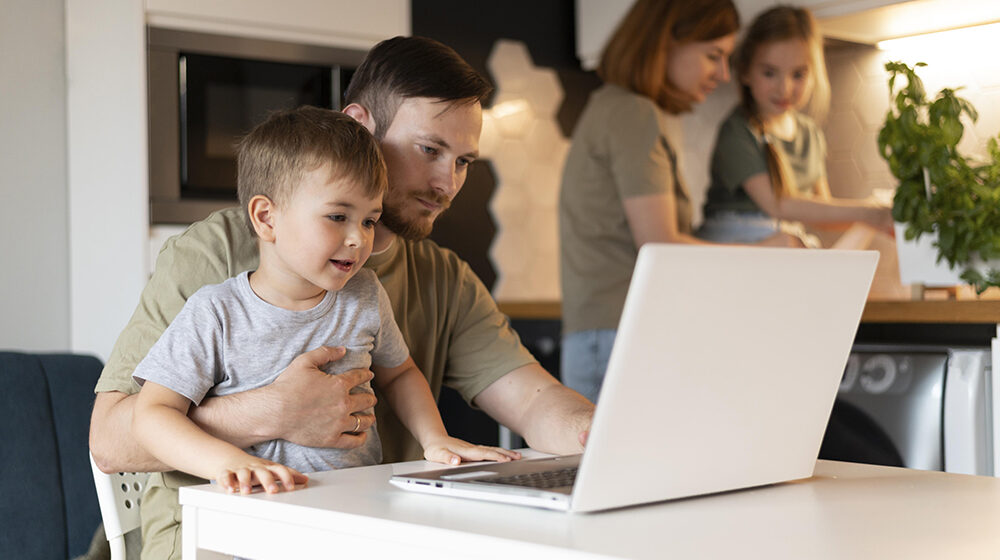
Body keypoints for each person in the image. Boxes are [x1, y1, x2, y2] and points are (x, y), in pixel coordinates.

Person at [90, 36, 594, 559]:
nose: (448, 183)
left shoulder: (437, 278)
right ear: (360, 125)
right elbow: (109, 441)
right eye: (430, 150)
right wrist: (273, 413)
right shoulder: (214, 253)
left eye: (464, 160)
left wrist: (595, 431)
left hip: (359, 535)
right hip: (213, 539)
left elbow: (535, 402)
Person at [131, 107, 519, 497]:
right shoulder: (215, 312)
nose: (359, 239)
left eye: (369, 220)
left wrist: (435, 438)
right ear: (266, 218)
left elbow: (400, 374)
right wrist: (225, 463)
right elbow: (153, 415)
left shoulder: (365, 295)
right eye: (337, 216)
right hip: (256, 517)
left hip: (354, 506)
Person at [559, 0, 791, 404]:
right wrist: (764, 252)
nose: (721, 75)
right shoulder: (632, 113)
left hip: (609, 333)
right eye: (713, 56)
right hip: (616, 334)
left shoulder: (617, 107)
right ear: (667, 42)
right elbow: (661, 244)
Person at [696, 5, 892, 245]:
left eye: (798, 74)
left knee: (800, 247)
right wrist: (869, 213)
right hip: (729, 242)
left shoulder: (809, 134)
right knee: (791, 244)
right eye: (770, 73)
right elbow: (779, 205)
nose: (785, 88)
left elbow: (824, 213)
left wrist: (876, 217)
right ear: (745, 71)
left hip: (782, 240)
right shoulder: (737, 132)